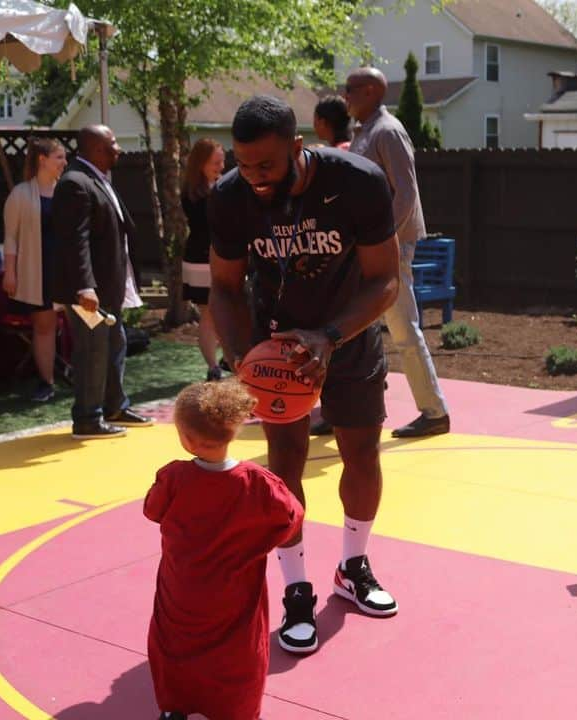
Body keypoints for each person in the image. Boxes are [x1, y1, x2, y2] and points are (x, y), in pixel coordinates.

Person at [209, 95, 402, 656]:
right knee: (285, 464)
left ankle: (353, 564)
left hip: (349, 329)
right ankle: (296, 587)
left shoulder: (359, 181)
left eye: (266, 165)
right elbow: (224, 287)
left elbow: (384, 279)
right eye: (243, 165)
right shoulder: (231, 196)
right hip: (279, 345)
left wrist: (331, 336)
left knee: (362, 456)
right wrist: (248, 358)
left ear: (298, 147)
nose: (254, 177)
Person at [146, 380, 302, 720]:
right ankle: (236, 712)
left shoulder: (173, 478)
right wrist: (259, 542)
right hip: (236, 591)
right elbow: (292, 517)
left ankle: (175, 707)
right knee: (238, 654)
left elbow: (152, 510)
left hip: (182, 588)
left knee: (173, 647)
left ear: (186, 439)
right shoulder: (258, 483)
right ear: (234, 429)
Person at [345, 66, 451, 438]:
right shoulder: (364, 132)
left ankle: (435, 412)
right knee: (354, 326)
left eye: (351, 89)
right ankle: (347, 406)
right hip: (368, 245)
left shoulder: (388, 131)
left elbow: (405, 192)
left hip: (389, 245)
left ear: (372, 91)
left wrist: (382, 239)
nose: (345, 96)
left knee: (403, 328)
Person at [53, 125, 154, 439]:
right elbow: (75, 240)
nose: (118, 149)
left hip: (108, 286)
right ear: (96, 148)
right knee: (92, 352)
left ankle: (113, 406)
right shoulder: (75, 183)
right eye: (112, 144)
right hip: (89, 291)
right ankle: (87, 418)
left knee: (114, 346)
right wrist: (85, 286)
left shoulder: (96, 178)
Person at [1, 137, 67, 402]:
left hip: (68, 271)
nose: (64, 162)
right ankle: (47, 382)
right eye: (59, 157)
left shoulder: (68, 191)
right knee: (44, 327)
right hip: (37, 271)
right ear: (43, 160)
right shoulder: (19, 194)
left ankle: (87, 381)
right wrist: (10, 271)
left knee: (83, 324)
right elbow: (11, 237)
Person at [308, 95, 352, 435]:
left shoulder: (338, 158)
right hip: (341, 252)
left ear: (324, 122)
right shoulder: (347, 151)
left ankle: (336, 410)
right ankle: (337, 407)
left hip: (340, 257)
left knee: (335, 333)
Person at [181, 138, 227, 381]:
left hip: (216, 256)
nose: (221, 166)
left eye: (222, 161)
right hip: (203, 259)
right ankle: (213, 366)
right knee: (209, 313)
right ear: (201, 164)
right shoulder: (197, 193)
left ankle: (223, 361)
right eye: (215, 162)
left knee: (221, 312)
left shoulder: (217, 187)